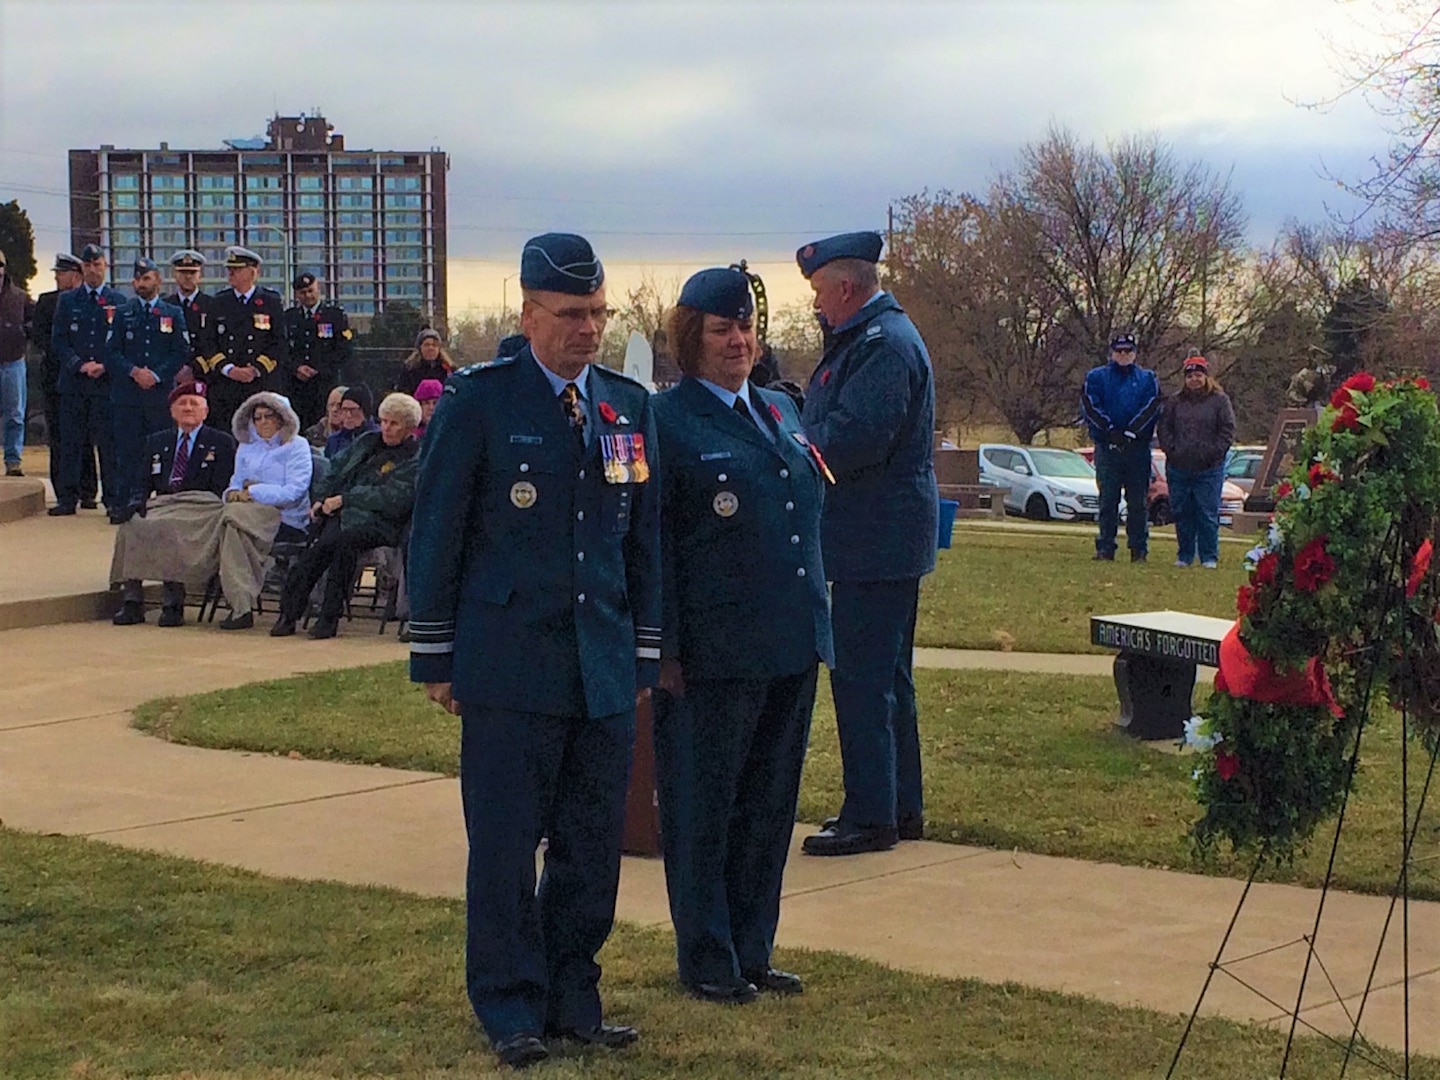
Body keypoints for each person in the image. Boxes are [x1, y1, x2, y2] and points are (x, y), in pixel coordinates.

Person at [406, 232, 660, 1070]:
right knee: (509, 847)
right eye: (570, 314)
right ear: (528, 313)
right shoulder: (482, 401)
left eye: (597, 312)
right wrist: (436, 657)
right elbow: (437, 530)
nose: (587, 329)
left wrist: (644, 654)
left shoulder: (626, 405)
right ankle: (510, 1006)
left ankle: (573, 998)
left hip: (601, 666)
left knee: (591, 846)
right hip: (511, 664)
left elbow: (642, 545)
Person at [652, 267, 832, 1004]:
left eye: (747, 328)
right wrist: (661, 646)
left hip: (789, 640)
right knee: (705, 809)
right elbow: (654, 540)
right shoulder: (667, 421)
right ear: (691, 337)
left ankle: (754, 947)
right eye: (723, 329)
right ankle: (707, 955)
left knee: (768, 808)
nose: (739, 341)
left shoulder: (779, 411)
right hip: (713, 651)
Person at [796, 230, 938, 858]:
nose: (817, 304)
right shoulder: (868, 339)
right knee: (887, 678)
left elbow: (856, 436)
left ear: (847, 287)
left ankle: (870, 814)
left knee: (862, 679)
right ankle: (898, 806)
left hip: (873, 539)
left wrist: (792, 444)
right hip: (878, 536)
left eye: (821, 292)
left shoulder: (881, 345)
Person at [271, 391, 420, 640]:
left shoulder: (414, 456)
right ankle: (289, 613)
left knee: (342, 543)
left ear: (409, 427)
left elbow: (393, 498)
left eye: (394, 423)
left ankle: (328, 617)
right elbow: (334, 470)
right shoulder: (366, 442)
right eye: (384, 420)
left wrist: (345, 499)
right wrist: (320, 499)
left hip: (382, 521)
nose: (386, 427)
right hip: (342, 514)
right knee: (318, 550)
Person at [111, 383, 237, 627]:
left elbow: (223, 483)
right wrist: (137, 500)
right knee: (132, 524)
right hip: (164, 501)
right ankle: (132, 599)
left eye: (194, 403)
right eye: (182, 403)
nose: (188, 408)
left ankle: (173, 602)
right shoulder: (157, 441)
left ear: (205, 411)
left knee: (170, 526)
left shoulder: (221, 442)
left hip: (201, 506)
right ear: (172, 411)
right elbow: (142, 479)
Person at [216, 392, 313, 630]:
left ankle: (241, 607)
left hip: (285, 519)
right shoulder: (246, 446)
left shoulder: (297, 446)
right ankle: (241, 605)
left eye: (269, 416)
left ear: (282, 418)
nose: (263, 422)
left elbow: (293, 492)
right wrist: (233, 494)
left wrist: (253, 492)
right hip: (245, 515)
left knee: (231, 524)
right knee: (233, 526)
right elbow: (234, 484)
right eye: (257, 417)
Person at [104, 257, 190, 522]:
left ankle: (160, 501)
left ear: (158, 280)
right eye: (138, 279)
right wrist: (134, 371)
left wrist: (155, 374)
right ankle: (123, 502)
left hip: (159, 394)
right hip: (127, 395)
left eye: (147, 278)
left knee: (161, 450)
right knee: (126, 451)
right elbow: (111, 351)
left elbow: (181, 351)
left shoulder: (172, 313)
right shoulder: (122, 312)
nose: (142, 283)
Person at [50, 245, 122, 518]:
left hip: (106, 384)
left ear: (105, 266)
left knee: (108, 444)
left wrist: (105, 364)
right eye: (88, 265)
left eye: (98, 264)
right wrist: (80, 365)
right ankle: (68, 498)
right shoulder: (68, 301)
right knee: (71, 443)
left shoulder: (119, 300)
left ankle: (113, 498)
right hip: (75, 384)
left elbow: (122, 342)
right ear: (83, 268)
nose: (94, 270)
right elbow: (59, 341)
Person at [1081, 331, 1161, 563]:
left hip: (1137, 449)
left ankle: (1139, 549)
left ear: (1135, 353)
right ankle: (1105, 547)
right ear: (1112, 352)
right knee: (1108, 500)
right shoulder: (1096, 377)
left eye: (1128, 351)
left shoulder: (1148, 378)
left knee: (1138, 502)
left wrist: (1131, 432)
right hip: (1108, 448)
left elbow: (1152, 406)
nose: (1124, 355)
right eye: (1119, 351)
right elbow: (1090, 405)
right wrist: (1110, 430)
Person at [197, 247, 289, 431]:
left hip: (259, 384)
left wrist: (255, 369)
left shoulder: (270, 302)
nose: (231, 273)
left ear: (253, 272)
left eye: (237, 269)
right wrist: (228, 369)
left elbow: (279, 342)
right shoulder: (219, 303)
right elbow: (208, 342)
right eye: (229, 269)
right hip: (226, 387)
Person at [1157, 356, 1235, 569]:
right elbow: (1164, 428)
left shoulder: (1220, 400)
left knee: (1207, 513)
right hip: (1179, 467)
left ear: (1206, 376)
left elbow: (1227, 430)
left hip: (1209, 468)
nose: (1194, 380)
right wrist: (1173, 451)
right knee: (1182, 512)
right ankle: (1185, 555)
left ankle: (1209, 556)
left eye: (1198, 375)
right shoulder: (1174, 402)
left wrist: (1213, 453)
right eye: (1190, 376)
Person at [31, 254, 95, 503]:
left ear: (76, 276)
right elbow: (40, 337)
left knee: (87, 437)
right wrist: (70, 359)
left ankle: (88, 491)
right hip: (57, 377)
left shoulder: (91, 300)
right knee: (59, 438)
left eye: (62, 272)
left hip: (87, 379)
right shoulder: (47, 302)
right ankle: (64, 493)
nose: (57, 276)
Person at [283, 271, 352, 430]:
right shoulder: (289, 317)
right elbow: (283, 350)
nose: (307, 295)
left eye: (310, 291)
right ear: (297, 295)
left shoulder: (334, 315)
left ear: (317, 290)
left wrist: (319, 369)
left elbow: (344, 350)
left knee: (326, 427)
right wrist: (296, 368)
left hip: (324, 385)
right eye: (302, 292)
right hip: (297, 387)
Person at [0, 247, 35, 477]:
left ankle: (13, 460)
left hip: (13, 361)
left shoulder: (20, 297)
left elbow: (35, 325)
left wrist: (23, 336)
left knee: (15, 414)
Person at [163, 249, 218, 390]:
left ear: (200, 275)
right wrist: (174, 368)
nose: (187, 277)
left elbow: (214, 342)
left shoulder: (212, 305)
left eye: (192, 272)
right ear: (174, 275)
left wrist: (194, 368)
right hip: (170, 376)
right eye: (182, 272)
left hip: (204, 377)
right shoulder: (164, 306)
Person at [391, 327, 454, 396]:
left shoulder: (448, 370)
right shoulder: (410, 370)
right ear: (420, 348)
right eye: (427, 345)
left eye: (434, 345)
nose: (431, 348)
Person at [324, 383, 377, 459]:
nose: (348, 415)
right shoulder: (334, 440)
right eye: (344, 409)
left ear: (365, 411)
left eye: (353, 410)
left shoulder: (378, 439)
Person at [304, 384, 347, 449]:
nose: (334, 409)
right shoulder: (311, 436)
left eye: (339, 406)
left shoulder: (356, 438)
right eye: (331, 405)